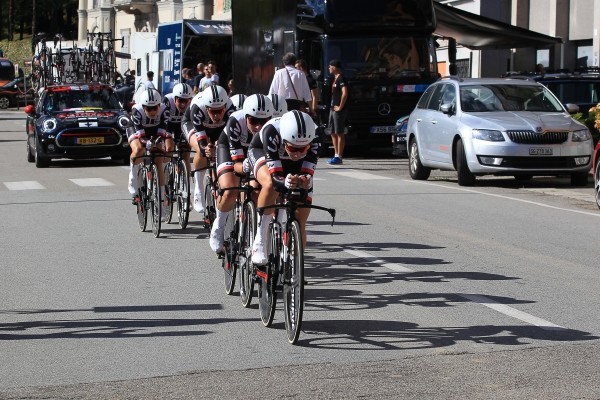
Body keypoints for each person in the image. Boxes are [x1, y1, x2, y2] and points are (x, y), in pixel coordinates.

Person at [247, 110, 320, 265]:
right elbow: (275, 178)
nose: (298, 153)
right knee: (270, 184)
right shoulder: (271, 130)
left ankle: (295, 265)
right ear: (284, 140)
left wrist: (306, 180)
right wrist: (285, 182)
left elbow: (308, 172)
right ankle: (260, 239)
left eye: (303, 149)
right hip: (261, 152)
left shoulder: (316, 134)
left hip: (292, 165)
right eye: (293, 148)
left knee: (301, 218)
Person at [209, 94, 274, 254]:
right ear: (245, 117)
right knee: (231, 190)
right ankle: (219, 225)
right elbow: (237, 166)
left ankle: (255, 232)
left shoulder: (272, 128)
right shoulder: (235, 121)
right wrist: (246, 167)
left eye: (263, 121)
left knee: (259, 190)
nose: (258, 126)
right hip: (231, 150)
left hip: (256, 152)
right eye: (253, 121)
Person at [181, 85, 236, 214]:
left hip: (218, 128)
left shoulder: (230, 109)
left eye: (220, 111)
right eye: (212, 111)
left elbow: (229, 138)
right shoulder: (197, 108)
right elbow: (201, 141)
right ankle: (198, 189)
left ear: (225, 107)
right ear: (206, 108)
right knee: (202, 150)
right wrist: (206, 147)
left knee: (222, 151)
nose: (216, 115)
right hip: (192, 123)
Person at [127, 88, 173, 222]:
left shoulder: (164, 110)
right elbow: (139, 135)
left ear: (160, 105)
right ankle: (133, 176)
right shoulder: (137, 111)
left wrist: (158, 144)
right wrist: (147, 143)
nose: (152, 111)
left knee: (159, 158)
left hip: (154, 130)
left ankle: (162, 201)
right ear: (143, 107)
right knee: (139, 150)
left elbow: (163, 131)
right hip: (136, 130)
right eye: (149, 108)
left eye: (155, 108)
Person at [162, 82, 194, 173]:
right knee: (169, 148)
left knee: (186, 154)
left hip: (182, 125)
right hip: (168, 124)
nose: (183, 104)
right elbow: (163, 120)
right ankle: (165, 174)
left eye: (186, 101)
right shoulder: (167, 100)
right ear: (174, 98)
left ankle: (186, 182)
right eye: (180, 101)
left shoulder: (193, 104)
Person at [327, 59, 348, 165]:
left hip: (338, 110)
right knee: (332, 132)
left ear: (335, 67)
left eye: (330, 66)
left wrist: (340, 107)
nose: (329, 68)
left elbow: (345, 93)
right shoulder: (334, 78)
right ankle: (335, 154)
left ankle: (339, 156)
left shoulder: (341, 78)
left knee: (339, 132)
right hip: (332, 108)